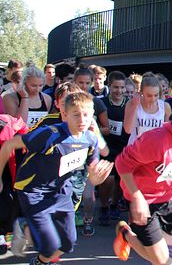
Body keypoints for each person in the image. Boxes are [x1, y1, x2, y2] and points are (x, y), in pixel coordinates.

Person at [0, 92, 113, 265]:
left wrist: (97, 179)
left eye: (86, 115)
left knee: (68, 244)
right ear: (65, 115)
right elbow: (9, 144)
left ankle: (39, 261)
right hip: (34, 191)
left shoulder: (90, 139)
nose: (82, 119)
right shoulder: (49, 134)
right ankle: (25, 225)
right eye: (76, 114)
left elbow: (92, 173)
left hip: (61, 191)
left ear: (93, 116)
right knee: (50, 245)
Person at [112, 95, 172, 265]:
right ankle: (126, 233)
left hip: (169, 198)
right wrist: (137, 198)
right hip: (142, 198)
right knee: (161, 261)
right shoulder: (156, 140)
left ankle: (125, 233)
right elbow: (121, 164)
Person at [99, 71, 130, 227]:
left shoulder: (129, 105)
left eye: (122, 87)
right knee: (107, 180)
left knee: (120, 181)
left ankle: (114, 205)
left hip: (124, 148)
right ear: (109, 86)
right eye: (115, 87)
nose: (119, 90)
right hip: (106, 147)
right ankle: (104, 206)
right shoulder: (102, 103)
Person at [0, 113, 28, 256]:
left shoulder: (8, 123)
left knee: (9, 198)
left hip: (10, 166)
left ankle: (6, 233)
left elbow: (23, 128)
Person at [124, 73, 172, 145]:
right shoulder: (132, 103)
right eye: (149, 96)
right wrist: (135, 105)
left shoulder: (165, 106)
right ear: (141, 93)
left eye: (156, 95)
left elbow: (169, 133)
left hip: (155, 149)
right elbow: (128, 130)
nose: (153, 99)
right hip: (135, 148)